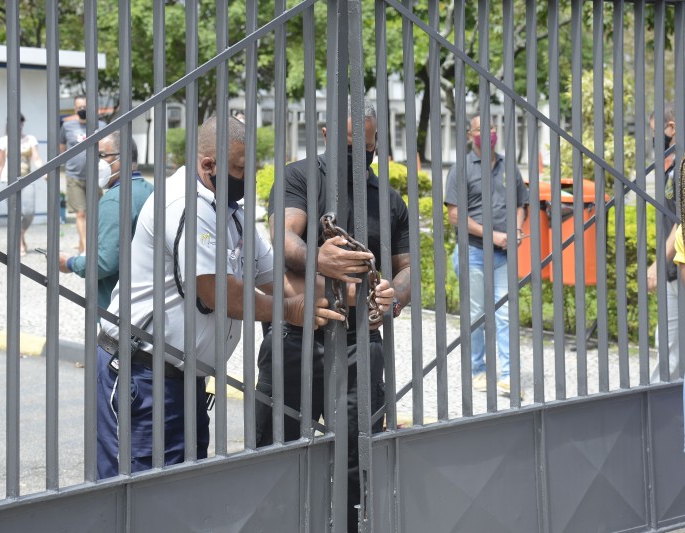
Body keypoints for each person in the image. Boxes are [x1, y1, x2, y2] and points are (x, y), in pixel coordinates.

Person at [94, 115, 343, 479]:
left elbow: (274, 277)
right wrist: (290, 310)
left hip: (184, 382)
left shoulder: (230, 214)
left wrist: (351, 297)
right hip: (142, 377)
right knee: (134, 494)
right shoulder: (184, 204)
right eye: (241, 168)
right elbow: (216, 292)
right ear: (209, 164)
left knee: (179, 492)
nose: (250, 176)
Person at [255, 98, 408, 531]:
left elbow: (408, 268)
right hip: (296, 338)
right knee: (276, 452)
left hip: (361, 343)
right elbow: (284, 238)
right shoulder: (299, 176)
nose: (361, 153)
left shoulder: (389, 199)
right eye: (349, 144)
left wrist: (391, 296)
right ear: (324, 135)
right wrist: (320, 261)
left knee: (358, 461)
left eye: (369, 143)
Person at [444, 115, 529, 397]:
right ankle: (477, 371)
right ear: (470, 134)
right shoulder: (461, 169)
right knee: (477, 314)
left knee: (506, 313)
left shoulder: (508, 168)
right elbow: (455, 215)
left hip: (504, 254)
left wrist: (516, 228)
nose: (489, 133)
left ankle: (507, 375)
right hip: (474, 252)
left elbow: (521, 203)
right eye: (482, 129)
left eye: (492, 128)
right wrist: (492, 235)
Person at [58, 131, 153, 310]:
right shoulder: (150, 189)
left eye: (101, 155)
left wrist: (70, 263)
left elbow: (104, 262)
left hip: (118, 308)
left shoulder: (115, 200)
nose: (96, 163)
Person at [647, 103, 680, 382]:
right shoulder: (673, 167)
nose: (657, 140)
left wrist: (658, 264)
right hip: (673, 269)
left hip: (676, 266)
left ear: (672, 128)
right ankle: (663, 413)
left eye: (658, 133)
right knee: (667, 345)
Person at [59, 94, 107, 253]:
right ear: (74, 108)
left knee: (96, 213)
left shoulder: (100, 125)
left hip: (95, 177)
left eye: (85, 107)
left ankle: (83, 244)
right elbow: (61, 147)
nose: (82, 110)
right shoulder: (67, 126)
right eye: (79, 107)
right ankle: (86, 249)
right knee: (80, 213)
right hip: (75, 176)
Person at [0, 113, 43, 256]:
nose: (18, 125)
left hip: (26, 179)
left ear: (23, 123)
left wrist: (44, 172)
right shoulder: (3, 141)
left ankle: (20, 234)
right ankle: (20, 242)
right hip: (7, 180)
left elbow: (37, 159)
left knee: (29, 213)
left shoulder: (30, 139)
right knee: (15, 214)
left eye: (20, 122)